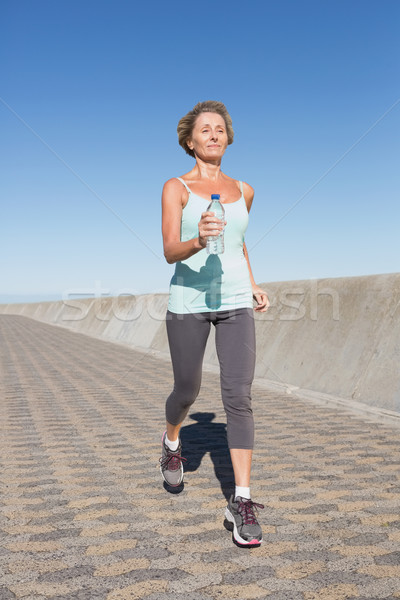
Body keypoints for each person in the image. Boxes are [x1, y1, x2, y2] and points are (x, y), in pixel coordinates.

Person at [159, 100, 269, 547]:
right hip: (188, 301)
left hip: (237, 301)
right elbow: (169, 250)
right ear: (190, 141)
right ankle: (171, 442)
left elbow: (240, 245)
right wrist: (197, 239)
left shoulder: (244, 191)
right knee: (187, 389)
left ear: (228, 137)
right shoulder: (177, 187)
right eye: (205, 129)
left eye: (220, 128)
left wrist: (255, 284)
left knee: (238, 397)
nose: (214, 134)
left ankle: (241, 500)